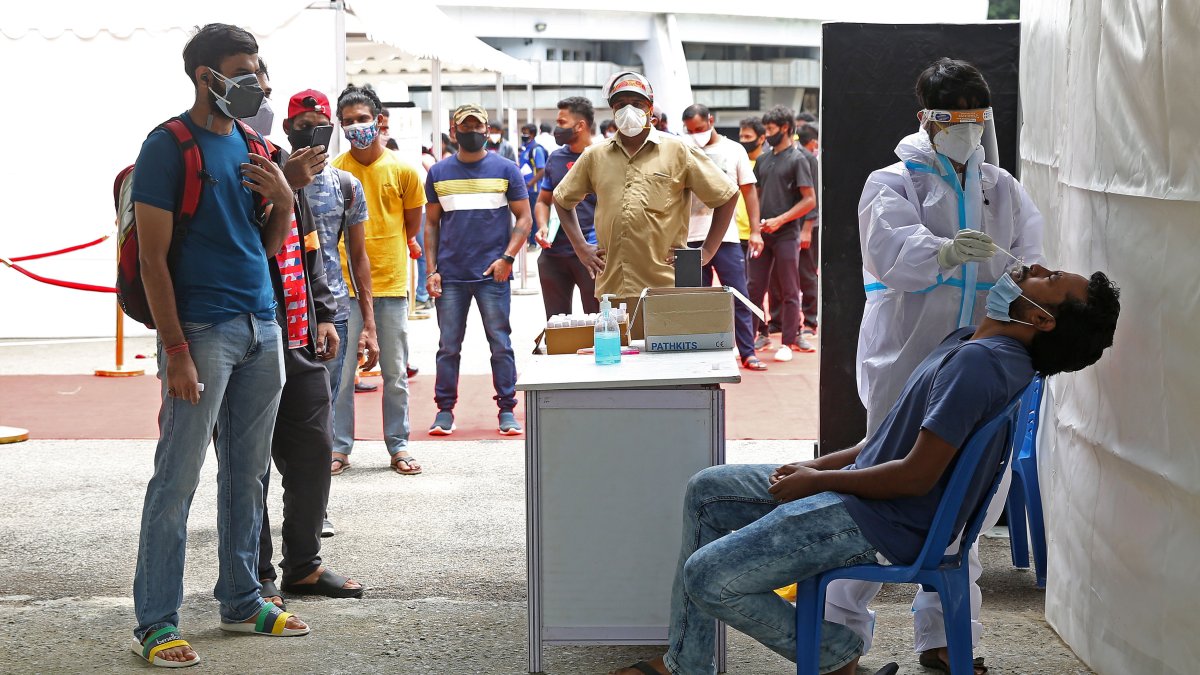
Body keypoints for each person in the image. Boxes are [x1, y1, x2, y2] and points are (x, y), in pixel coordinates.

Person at [609, 263, 1121, 675]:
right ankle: (689, 664)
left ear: (1040, 319)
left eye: (1048, 279)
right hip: (867, 496)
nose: (1032, 267)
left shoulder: (981, 365)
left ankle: (836, 653)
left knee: (710, 576)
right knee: (708, 490)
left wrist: (818, 482)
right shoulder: (973, 345)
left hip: (880, 519)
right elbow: (881, 442)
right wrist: (812, 466)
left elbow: (915, 476)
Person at [837, 57, 1048, 671]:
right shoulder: (892, 182)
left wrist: (1014, 289)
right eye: (954, 120)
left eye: (976, 119)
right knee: (880, 491)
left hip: (975, 358)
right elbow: (888, 254)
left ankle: (948, 638)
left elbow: (1027, 262)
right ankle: (838, 636)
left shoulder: (1000, 187)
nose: (967, 131)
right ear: (927, 120)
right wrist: (945, 251)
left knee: (967, 492)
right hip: (905, 354)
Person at [129, 23, 309, 667]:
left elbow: (262, 245)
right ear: (207, 76)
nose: (258, 82)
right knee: (176, 476)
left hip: (262, 326)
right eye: (244, 70)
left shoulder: (254, 143)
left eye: (260, 68)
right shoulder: (167, 146)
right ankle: (156, 620)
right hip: (201, 331)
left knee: (248, 473)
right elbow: (152, 260)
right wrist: (174, 350)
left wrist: (285, 197)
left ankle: (241, 598)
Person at [552, 71, 739, 337]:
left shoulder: (677, 150)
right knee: (620, 365)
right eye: (620, 105)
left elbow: (727, 195)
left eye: (637, 104)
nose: (628, 110)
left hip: (665, 284)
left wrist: (707, 251)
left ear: (650, 109)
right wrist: (581, 248)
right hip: (613, 289)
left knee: (667, 362)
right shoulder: (595, 156)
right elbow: (562, 200)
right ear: (612, 110)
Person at [330, 85, 426, 476]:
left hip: (390, 286)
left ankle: (398, 446)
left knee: (395, 373)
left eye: (362, 119)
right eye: (348, 122)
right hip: (344, 287)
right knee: (341, 373)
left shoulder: (404, 170)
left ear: (380, 121)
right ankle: (338, 448)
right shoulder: (334, 171)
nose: (356, 127)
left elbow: (412, 225)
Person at [424, 104, 533, 436]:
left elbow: (525, 218)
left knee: (500, 342)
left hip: (492, 275)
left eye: (477, 125)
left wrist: (508, 258)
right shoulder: (438, 173)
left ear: (487, 130)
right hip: (452, 275)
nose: (472, 131)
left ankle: (506, 410)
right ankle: (444, 411)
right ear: (453, 132)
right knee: (448, 346)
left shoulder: (506, 170)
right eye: (464, 126)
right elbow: (431, 225)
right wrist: (431, 271)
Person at [680, 104, 765, 371]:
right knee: (691, 300)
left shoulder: (734, 150)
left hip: (726, 238)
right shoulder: (681, 148)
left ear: (711, 121)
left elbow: (748, 191)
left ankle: (748, 352)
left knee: (738, 295)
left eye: (700, 128)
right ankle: (695, 352)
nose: (696, 134)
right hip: (687, 239)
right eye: (691, 130)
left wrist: (755, 230)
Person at [746, 104, 817, 361]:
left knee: (790, 288)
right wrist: (757, 227)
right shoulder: (763, 159)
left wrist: (781, 220)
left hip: (787, 233)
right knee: (754, 287)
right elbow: (755, 196)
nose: (767, 133)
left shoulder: (799, 159)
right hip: (764, 233)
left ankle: (787, 342)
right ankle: (751, 339)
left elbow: (810, 200)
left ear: (785, 128)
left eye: (771, 129)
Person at [534, 97, 601, 318]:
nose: (557, 128)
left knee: (599, 323)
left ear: (580, 126)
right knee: (556, 325)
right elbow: (544, 200)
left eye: (562, 122)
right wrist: (542, 226)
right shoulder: (555, 158)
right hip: (554, 253)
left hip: (592, 254)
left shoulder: (604, 157)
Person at [735, 116, 767, 273]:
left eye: (748, 137)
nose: (743, 140)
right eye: (741, 136)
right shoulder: (737, 162)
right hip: (737, 234)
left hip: (760, 234)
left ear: (761, 138)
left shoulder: (767, 164)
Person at [519, 123, 549, 248]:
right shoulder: (525, 149)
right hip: (526, 188)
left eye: (526, 132)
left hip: (534, 189)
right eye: (523, 132)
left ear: (532, 134)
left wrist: (530, 183)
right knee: (527, 215)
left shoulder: (537, 149)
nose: (524, 135)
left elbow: (542, 170)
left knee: (534, 215)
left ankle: (534, 242)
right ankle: (529, 241)